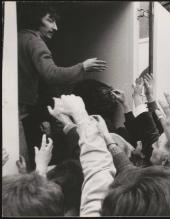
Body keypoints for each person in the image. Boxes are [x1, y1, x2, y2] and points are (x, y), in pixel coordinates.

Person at [17, 2, 107, 171]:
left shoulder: (19, 37)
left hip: (18, 107)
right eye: (50, 20)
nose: (55, 27)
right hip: (20, 109)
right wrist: (83, 67)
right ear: (36, 19)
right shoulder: (34, 41)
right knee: (22, 159)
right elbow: (51, 74)